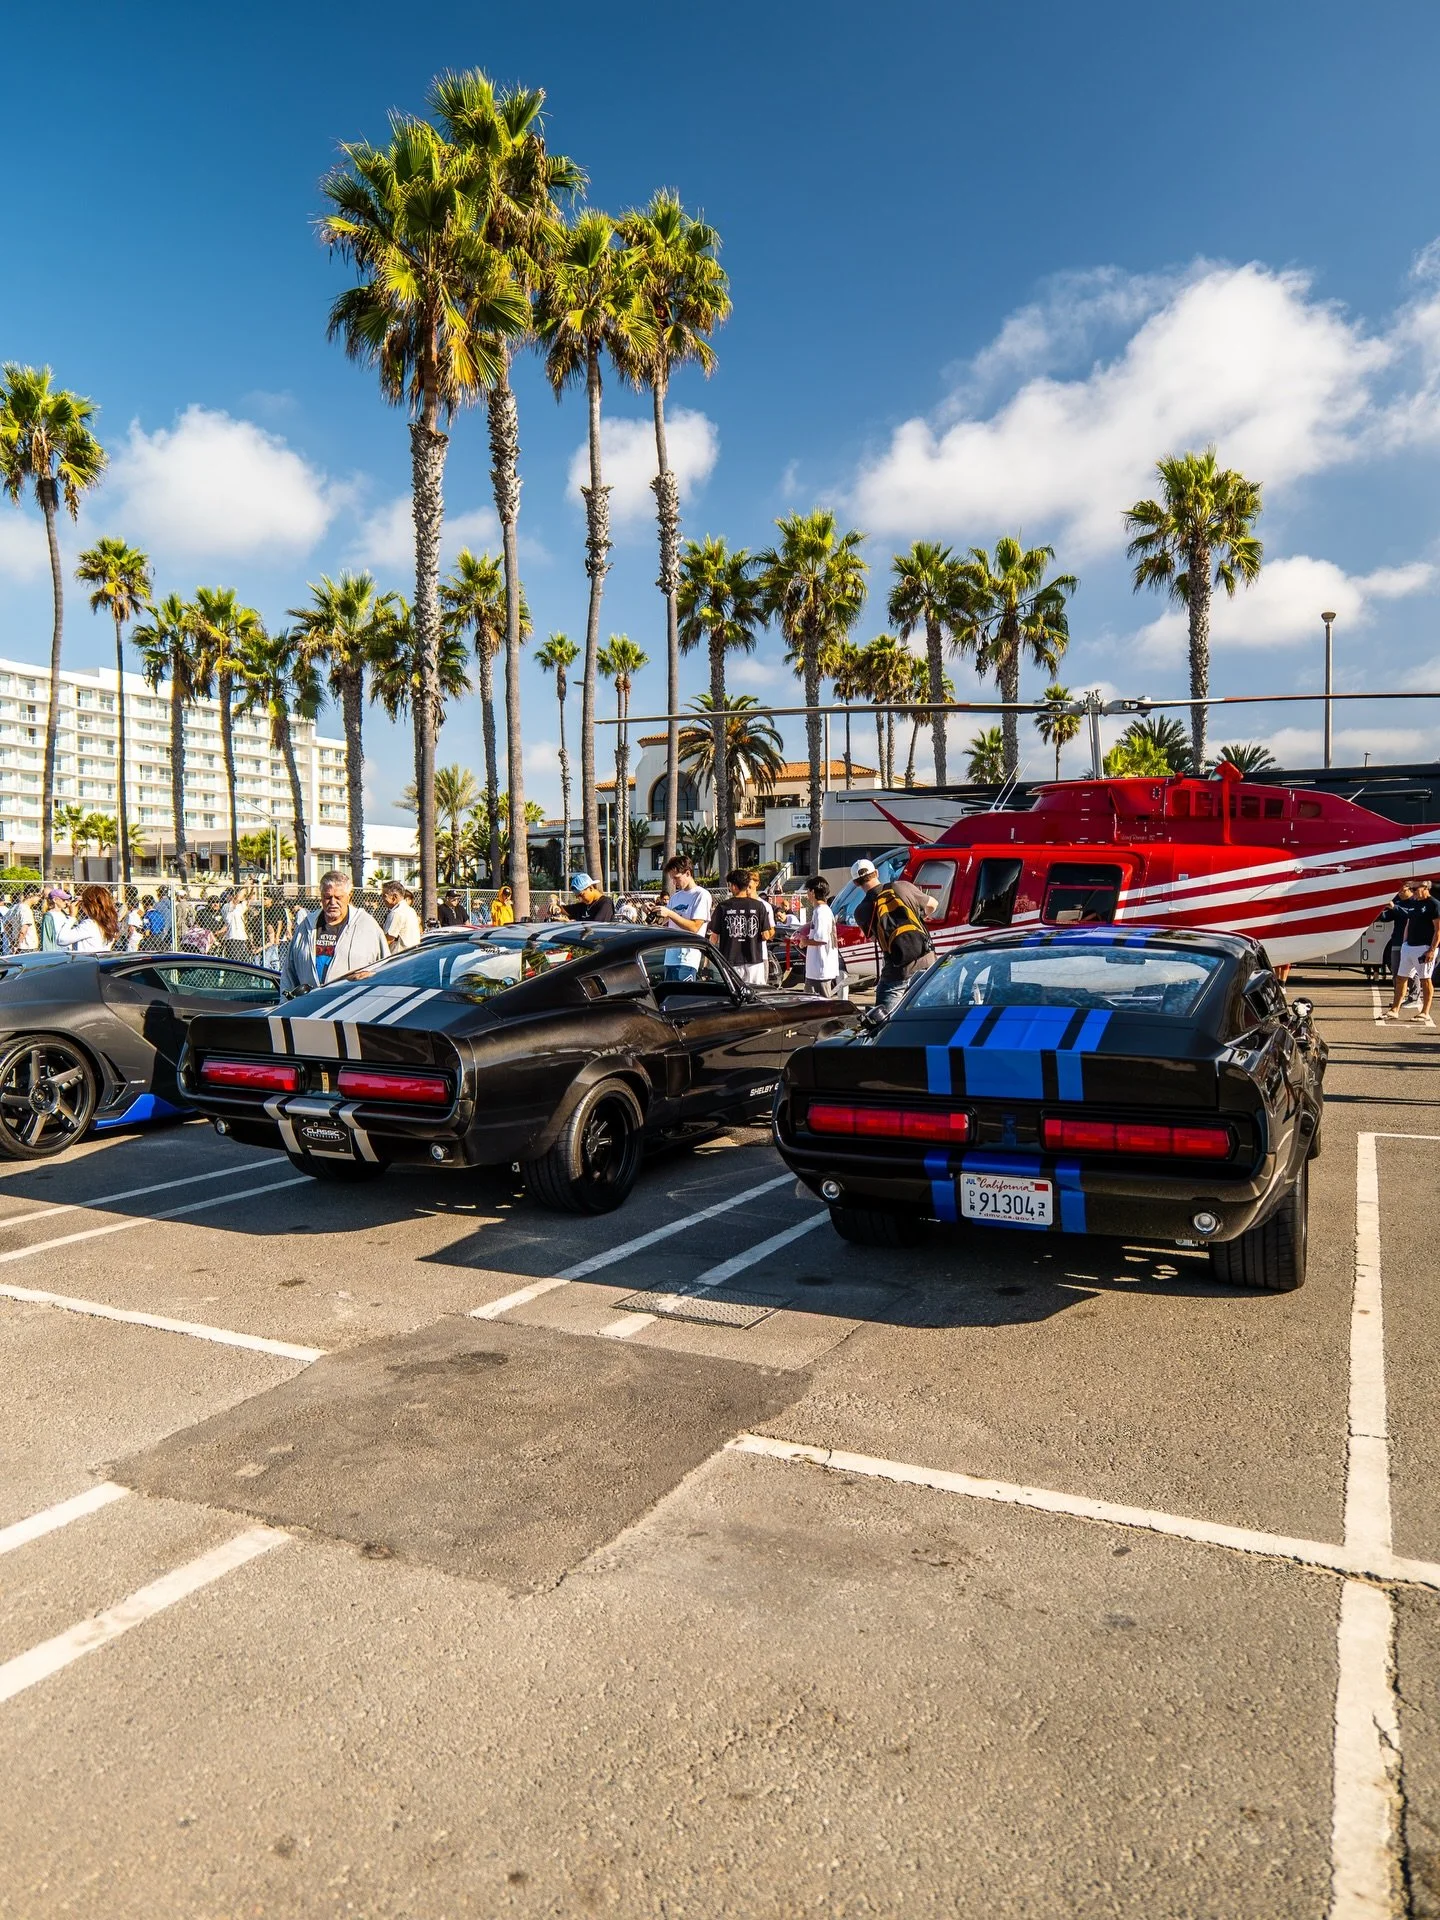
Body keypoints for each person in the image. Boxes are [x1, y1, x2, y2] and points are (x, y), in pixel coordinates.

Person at [850, 857, 938, 1011]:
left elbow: (875, 938)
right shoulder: (902, 886)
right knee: (927, 1016)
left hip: (897, 971)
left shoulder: (861, 911)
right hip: (927, 962)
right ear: (876, 873)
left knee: (885, 1020)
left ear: (856, 883)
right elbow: (933, 904)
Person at [281, 870, 389, 992]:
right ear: (321, 896)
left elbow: (386, 970)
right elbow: (289, 973)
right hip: (309, 1005)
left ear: (349, 896)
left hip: (349, 1005)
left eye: (338, 897)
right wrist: (285, 1003)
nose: (333, 902)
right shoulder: (307, 926)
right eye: (327, 897)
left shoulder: (367, 926)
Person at [1383, 875, 1440, 1026]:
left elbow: (1438, 930)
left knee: (1425, 979)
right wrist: (1405, 943)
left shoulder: (1434, 905)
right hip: (1409, 946)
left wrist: (1432, 950)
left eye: (1415, 889)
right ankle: (1395, 1009)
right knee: (1401, 977)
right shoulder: (1414, 903)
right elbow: (1409, 921)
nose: (1413, 891)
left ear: (1426, 888)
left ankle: (1425, 1012)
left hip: (1424, 947)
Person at [708, 869, 773, 987]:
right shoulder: (759, 906)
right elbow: (766, 935)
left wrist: (707, 961)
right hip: (754, 960)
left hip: (730, 960)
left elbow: (714, 937)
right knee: (757, 994)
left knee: (733, 994)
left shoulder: (723, 906)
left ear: (734, 886)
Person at [655, 854, 713, 980]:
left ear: (687, 873)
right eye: (672, 879)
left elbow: (694, 927)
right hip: (670, 957)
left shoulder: (701, 895)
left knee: (684, 996)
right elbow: (662, 923)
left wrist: (670, 913)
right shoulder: (675, 897)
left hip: (688, 957)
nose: (674, 882)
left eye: (676, 878)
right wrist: (654, 912)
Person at [800, 875, 842, 997]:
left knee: (820, 1005)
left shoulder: (821, 912)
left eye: (807, 891)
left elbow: (821, 939)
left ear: (812, 892)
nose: (807, 894)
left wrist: (805, 942)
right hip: (817, 969)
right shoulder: (821, 911)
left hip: (820, 968)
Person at [57, 884, 120, 953]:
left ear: (90, 905)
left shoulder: (89, 925)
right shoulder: (110, 923)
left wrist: (72, 916)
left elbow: (61, 940)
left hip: (87, 961)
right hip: (101, 961)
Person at [382, 880, 422, 953]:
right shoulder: (411, 910)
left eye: (385, 896)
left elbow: (389, 939)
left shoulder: (396, 913)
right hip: (413, 954)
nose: (383, 899)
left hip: (399, 957)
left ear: (394, 897)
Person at [4, 886, 40, 955]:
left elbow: (6, 924)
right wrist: (17, 945)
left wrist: (12, 941)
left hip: (19, 946)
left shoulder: (15, 907)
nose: (39, 898)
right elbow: (24, 930)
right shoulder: (26, 909)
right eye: (38, 895)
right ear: (30, 894)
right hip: (28, 947)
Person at [221, 887, 251, 959]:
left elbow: (249, 899)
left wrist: (252, 886)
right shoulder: (226, 906)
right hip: (233, 937)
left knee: (244, 959)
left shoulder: (238, 907)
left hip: (242, 937)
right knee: (235, 959)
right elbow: (237, 899)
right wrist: (245, 885)